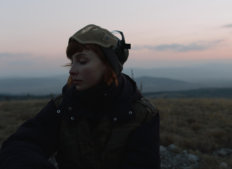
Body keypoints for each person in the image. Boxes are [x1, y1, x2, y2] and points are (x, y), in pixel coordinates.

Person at [0, 24, 160, 169]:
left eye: (82, 61)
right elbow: (21, 144)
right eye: (72, 62)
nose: (72, 70)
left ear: (109, 66)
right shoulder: (62, 107)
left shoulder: (143, 115)